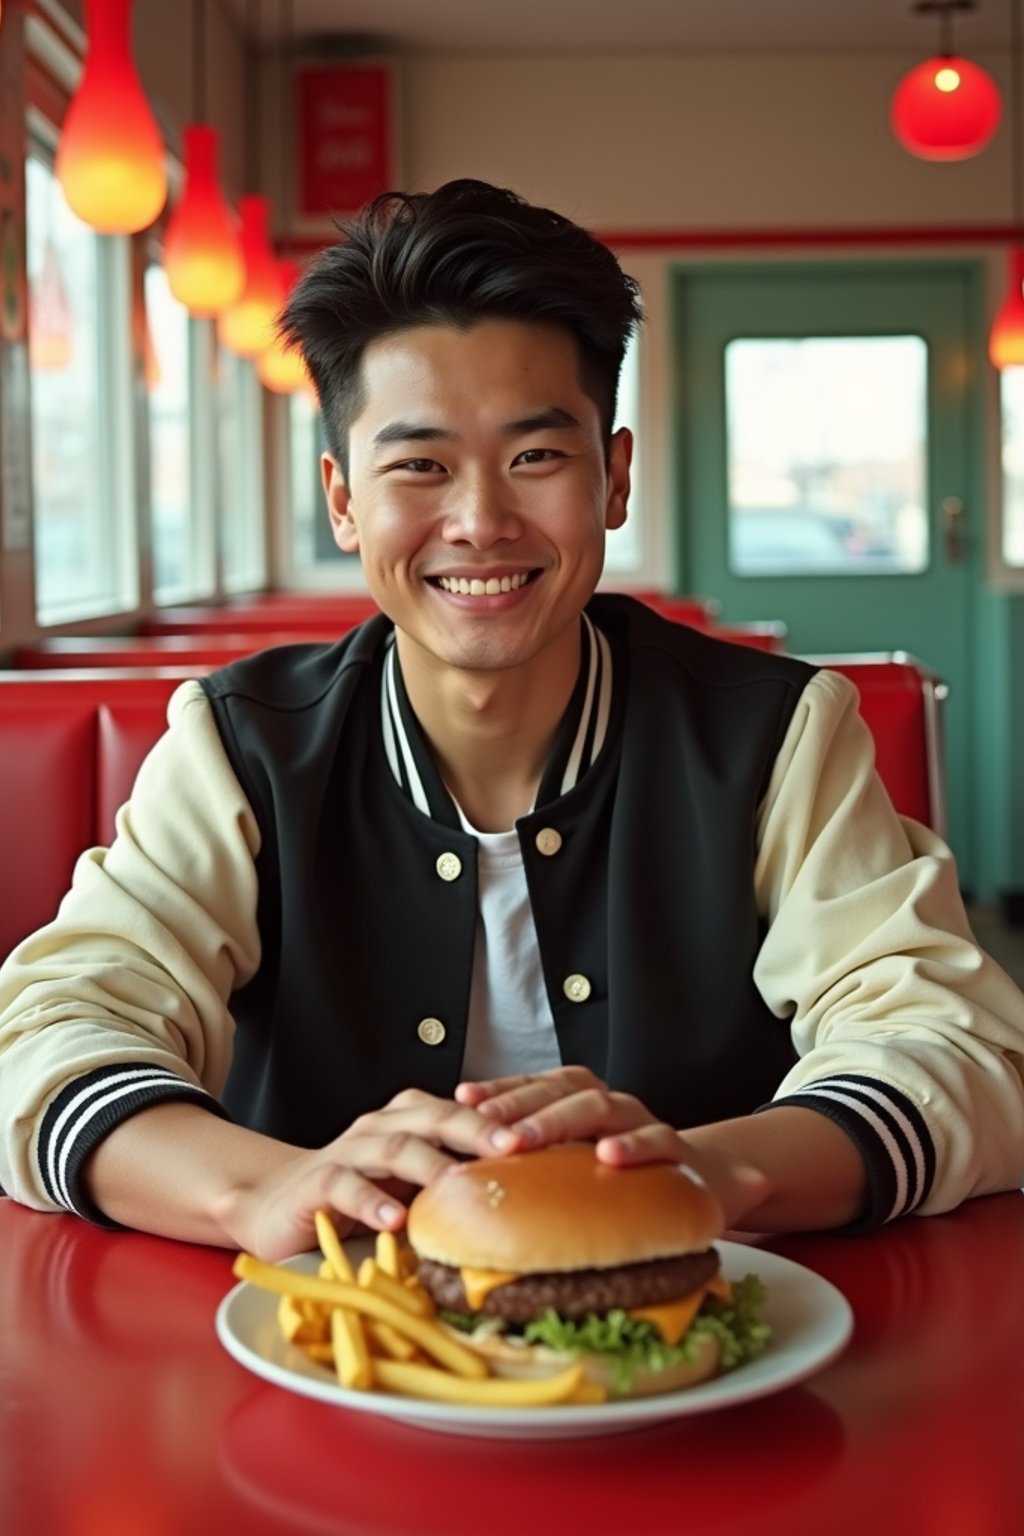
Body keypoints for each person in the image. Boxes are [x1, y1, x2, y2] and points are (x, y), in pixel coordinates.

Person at [1, 179, 1023, 1262]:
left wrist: (715, 1170)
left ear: (613, 477)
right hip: (321, 1337)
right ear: (343, 500)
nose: (481, 521)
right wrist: (259, 1191)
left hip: (714, 1333)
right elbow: (52, 1035)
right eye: (418, 466)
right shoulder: (237, 746)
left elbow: (957, 1049)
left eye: (535, 456)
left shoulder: (776, 736)